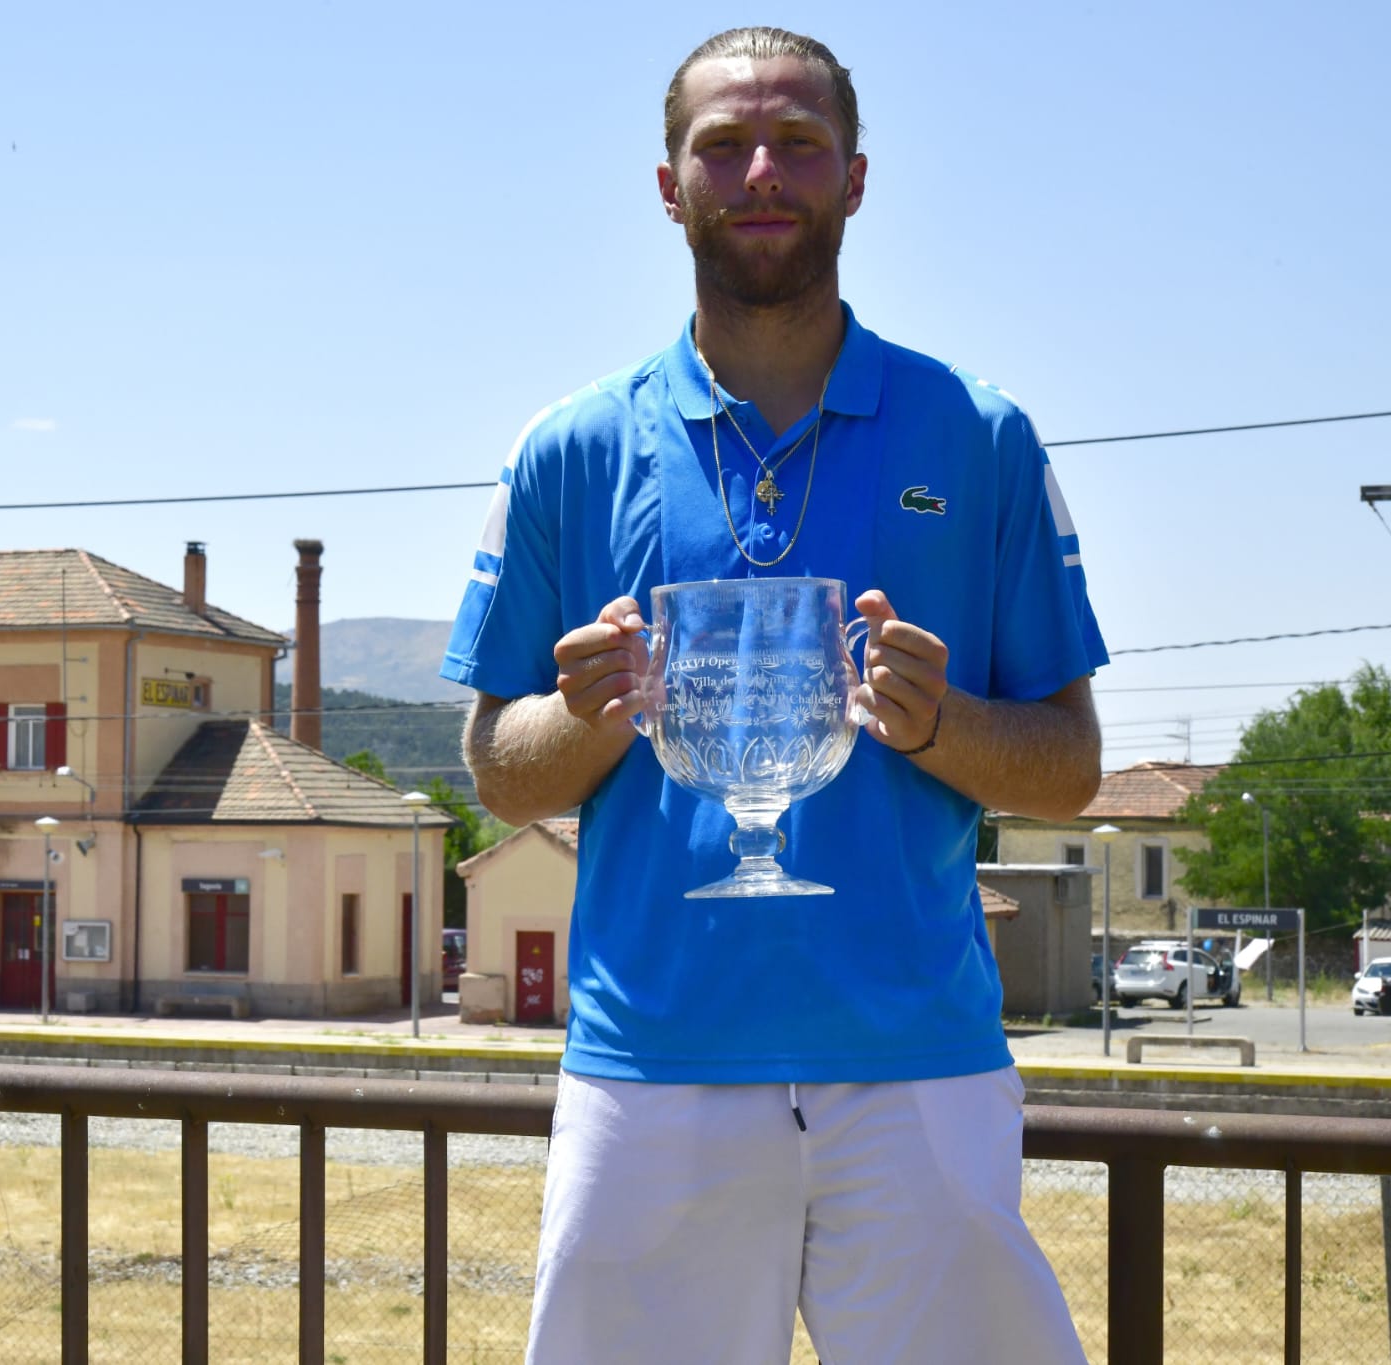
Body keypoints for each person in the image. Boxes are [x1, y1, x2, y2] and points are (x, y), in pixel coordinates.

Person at [439, 27, 1108, 1364]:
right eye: (725, 145)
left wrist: (943, 724)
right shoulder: (570, 447)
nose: (762, 173)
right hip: (652, 1063)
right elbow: (495, 769)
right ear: (667, 182)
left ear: (856, 178)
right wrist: (587, 714)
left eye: (798, 144)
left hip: (917, 1060)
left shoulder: (977, 435)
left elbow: (1071, 764)